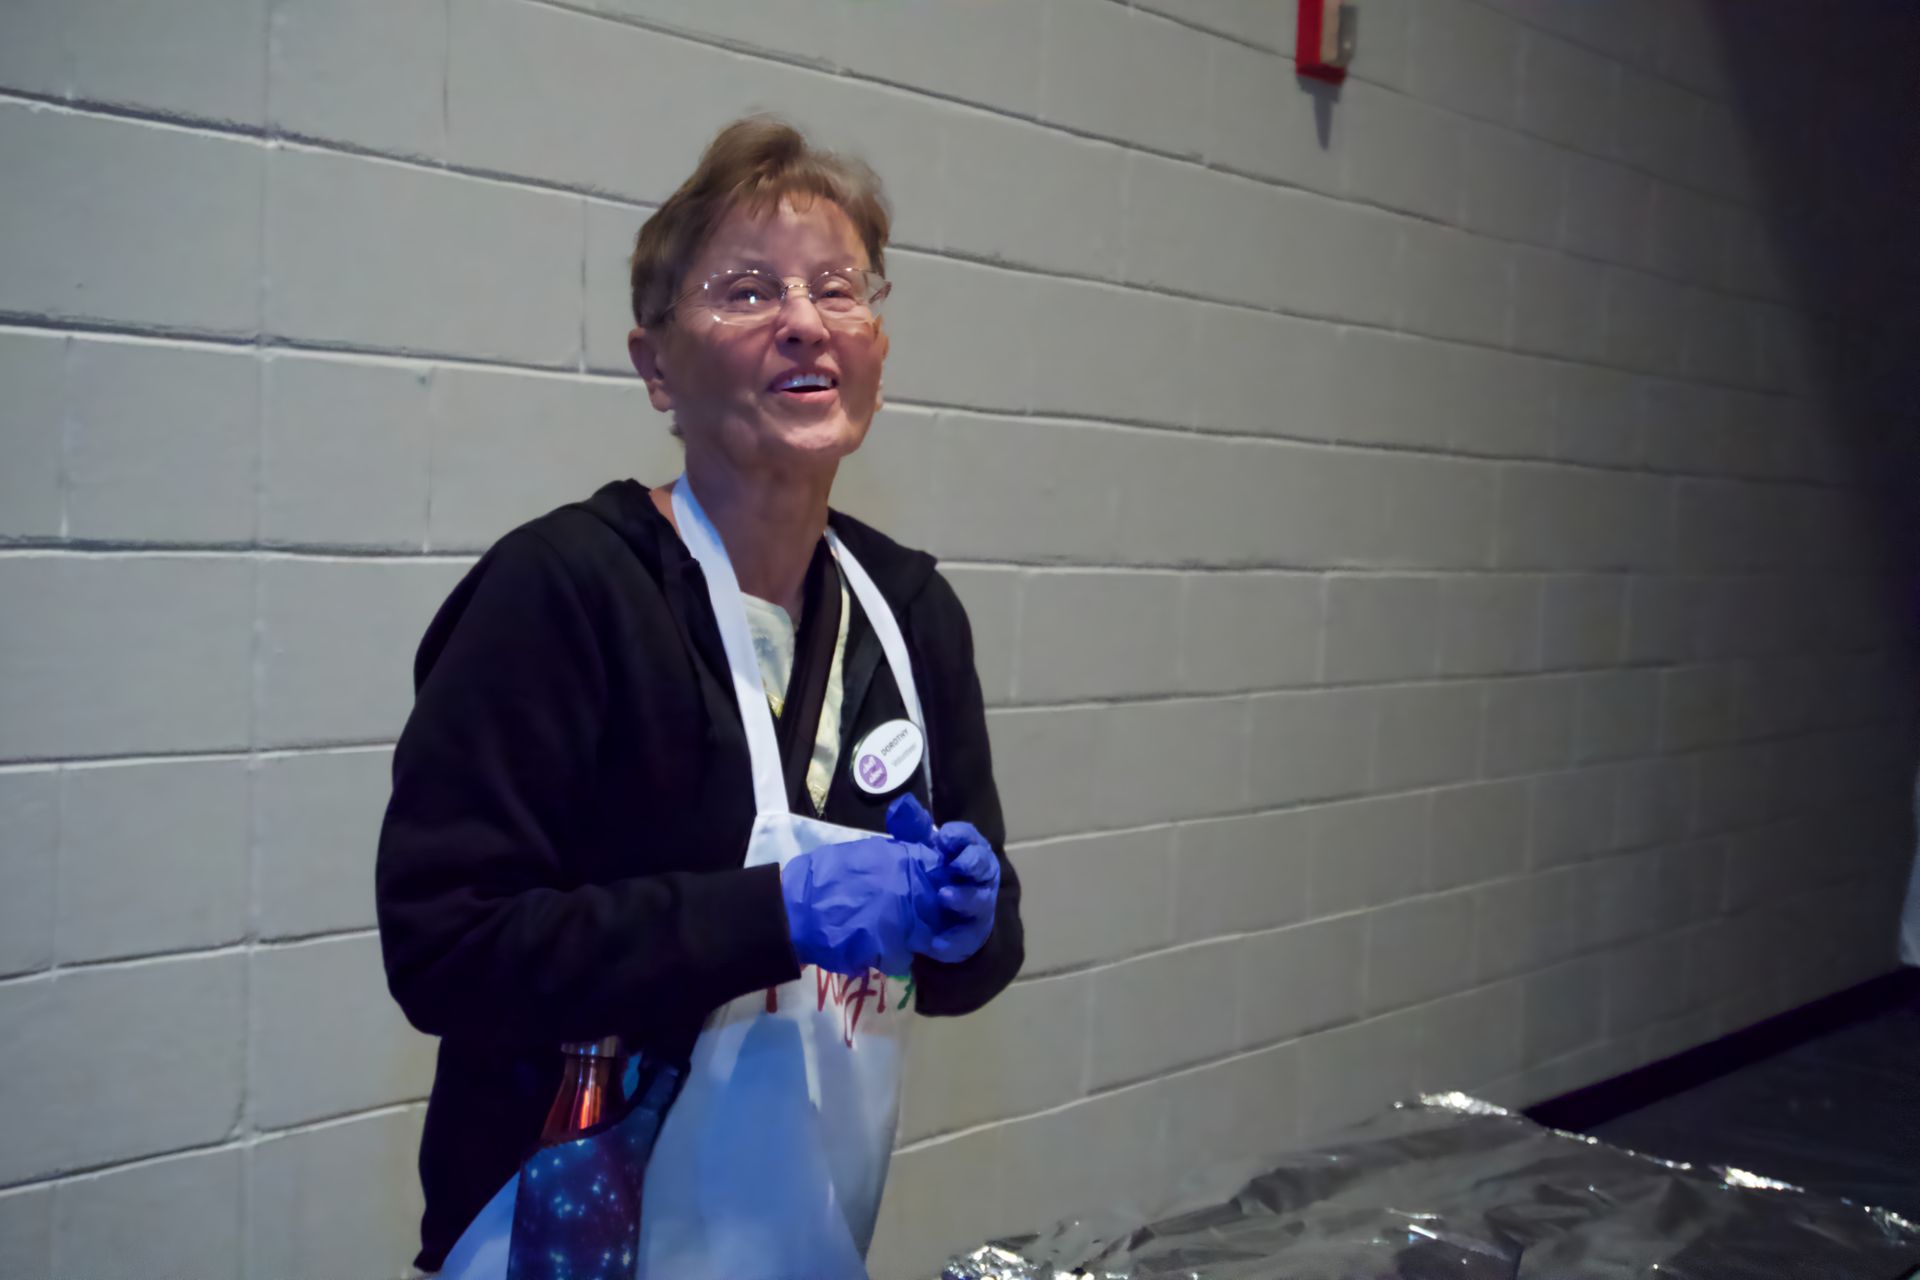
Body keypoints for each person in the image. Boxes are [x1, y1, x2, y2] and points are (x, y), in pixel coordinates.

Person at [375, 116, 1024, 1275]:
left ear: (875, 344)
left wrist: (969, 917)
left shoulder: (912, 612)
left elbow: (975, 970)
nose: (805, 320)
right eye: (746, 291)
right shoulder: (563, 589)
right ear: (656, 365)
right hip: (557, 1245)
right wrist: (774, 913)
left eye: (838, 288)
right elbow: (447, 949)